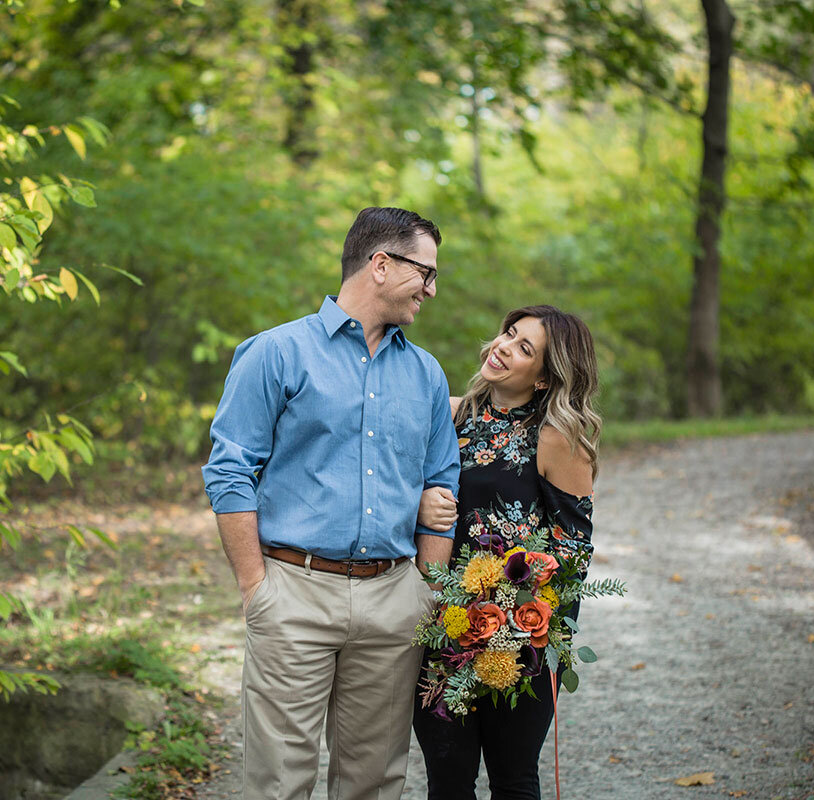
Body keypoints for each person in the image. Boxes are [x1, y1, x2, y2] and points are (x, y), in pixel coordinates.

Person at [201, 207, 461, 800]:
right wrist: (255, 587)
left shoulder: (424, 374)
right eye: (426, 272)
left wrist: (428, 585)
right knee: (278, 783)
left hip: (394, 599)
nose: (432, 288)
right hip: (294, 591)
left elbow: (442, 477)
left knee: (374, 782)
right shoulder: (275, 354)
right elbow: (230, 471)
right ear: (381, 265)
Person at [413, 305, 601, 800]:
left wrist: (538, 638)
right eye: (508, 334)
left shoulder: (558, 437)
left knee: (514, 781)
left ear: (544, 378)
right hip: (445, 628)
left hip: (519, 641)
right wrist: (418, 506)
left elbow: (573, 551)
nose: (502, 347)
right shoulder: (450, 414)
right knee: (447, 782)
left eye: (524, 348)